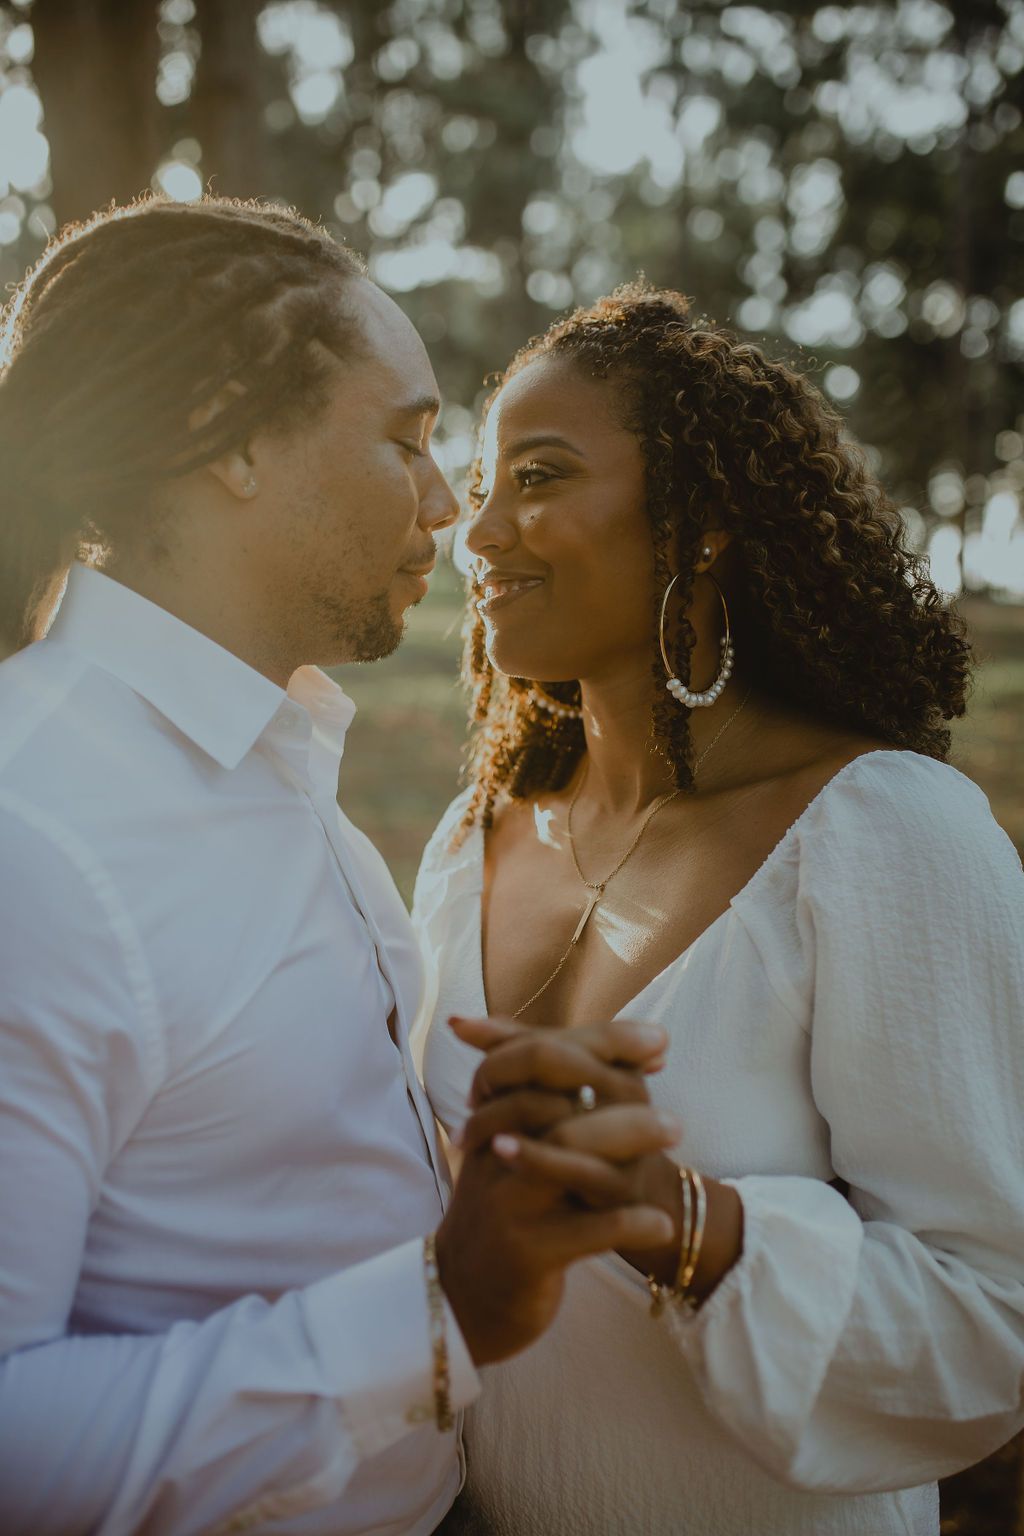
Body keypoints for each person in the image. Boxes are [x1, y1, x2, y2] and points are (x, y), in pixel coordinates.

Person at [0, 199, 679, 1536]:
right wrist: (442, 1314)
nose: (449, 509)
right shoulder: (39, 835)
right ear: (233, 438)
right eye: (408, 440)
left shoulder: (275, 751)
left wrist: (484, 1162)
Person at [413, 282, 1024, 1536]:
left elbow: (996, 1311)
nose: (480, 534)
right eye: (481, 484)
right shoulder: (473, 837)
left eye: (536, 476)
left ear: (698, 526)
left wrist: (693, 1227)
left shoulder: (882, 833)